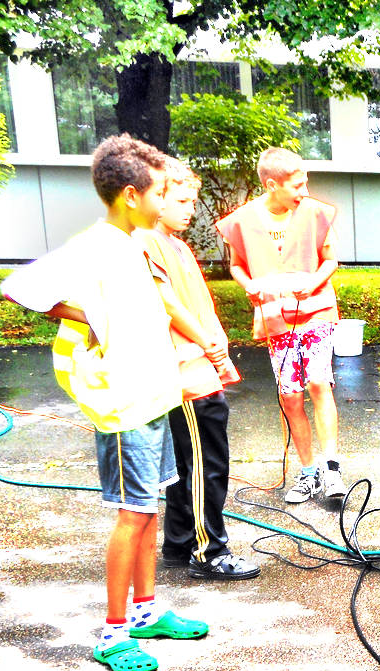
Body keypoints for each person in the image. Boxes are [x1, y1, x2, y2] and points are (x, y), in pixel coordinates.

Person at [0, 134, 215, 671]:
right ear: (130, 195)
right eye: (159, 193)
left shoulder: (131, 242)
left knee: (149, 509)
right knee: (133, 514)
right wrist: (88, 319)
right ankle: (114, 632)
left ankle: (146, 613)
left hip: (153, 396)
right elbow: (18, 287)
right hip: (123, 406)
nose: (164, 202)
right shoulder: (95, 245)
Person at [140, 158, 260, 581]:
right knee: (206, 464)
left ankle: (179, 542)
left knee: (186, 461)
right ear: (155, 198)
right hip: (187, 373)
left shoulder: (175, 244)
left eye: (193, 201)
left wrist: (216, 343)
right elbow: (168, 303)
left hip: (200, 367)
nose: (190, 209)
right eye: (181, 201)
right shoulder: (146, 241)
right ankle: (210, 552)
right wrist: (207, 343)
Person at [216, 147, 345, 504]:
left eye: (306, 183)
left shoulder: (315, 213)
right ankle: (308, 473)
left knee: (318, 382)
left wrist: (314, 281)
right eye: (297, 185)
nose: (305, 191)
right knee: (290, 396)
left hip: (316, 311)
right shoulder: (243, 221)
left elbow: (331, 260)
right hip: (275, 317)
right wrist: (249, 286)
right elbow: (237, 266)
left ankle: (331, 469)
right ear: (272, 185)